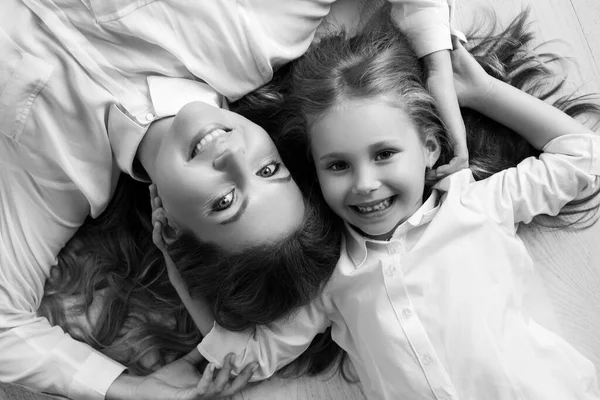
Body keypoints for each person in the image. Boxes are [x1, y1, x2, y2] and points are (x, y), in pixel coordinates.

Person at [0, 0, 466, 399]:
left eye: (225, 201)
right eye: (269, 170)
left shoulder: (57, 178)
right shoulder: (251, 35)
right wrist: (438, 69)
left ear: (171, 231)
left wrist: (125, 387)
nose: (232, 156)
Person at [154, 9, 600, 400]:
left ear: (429, 148)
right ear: (314, 171)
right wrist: (175, 258)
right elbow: (243, 356)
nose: (365, 184)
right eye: (338, 166)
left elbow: (582, 155)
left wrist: (481, 91)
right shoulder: (331, 279)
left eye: (384, 154)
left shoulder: (474, 205)